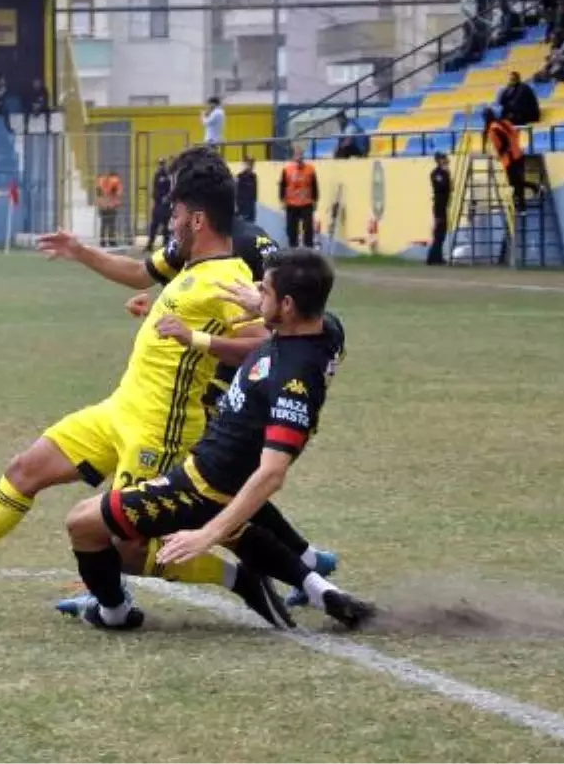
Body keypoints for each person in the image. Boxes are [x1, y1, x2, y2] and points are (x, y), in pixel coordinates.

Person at [0, 146, 277, 608]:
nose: (170, 219)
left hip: (158, 431)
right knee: (26, 469)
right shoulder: (189, 263)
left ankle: (242, 580)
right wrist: (90, 259)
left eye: (176, 211)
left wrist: (198, 341)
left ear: (198, 220)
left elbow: (265, 347)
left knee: (128, 548)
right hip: (121, 409)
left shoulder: (229, 279)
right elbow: (143, 276)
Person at [61, 249, 375, 631]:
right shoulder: (325, 330)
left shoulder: (294, 380)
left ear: (289, 306)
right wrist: (260, 308)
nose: (257, 293)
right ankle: (320, 590)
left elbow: (273, 473)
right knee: (239, 528)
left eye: (266, 290)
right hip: (210, 470)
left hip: (201, 488)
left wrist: (208, 534)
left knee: (84, 525)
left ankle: (113, 614)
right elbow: (306, 323)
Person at [280, 147, 318, 249]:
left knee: (308, 229)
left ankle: (309, 250)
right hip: (291, 203)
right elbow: (282, 185)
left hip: (306, 203)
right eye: (297, 154)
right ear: (293, 156)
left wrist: (315, 200)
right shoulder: (287, 169)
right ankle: (293, 249)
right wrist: (282, 200)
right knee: (292, 229)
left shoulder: (310, 169)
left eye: (301, 154)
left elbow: (314, 186)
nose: (299, 157)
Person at [428, 152, 451, 266]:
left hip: (443, 205)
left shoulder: (444, 173)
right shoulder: (436, 173)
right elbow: (442, 185)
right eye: (443, 159)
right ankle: (433, 258)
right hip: (439, 206)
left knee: (442, 232)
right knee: (439, 232)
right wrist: (446, 172)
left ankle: (437, 257)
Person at [146, 158, 171, 253]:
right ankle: (150, 244)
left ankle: (166, 244)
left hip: (165, 205)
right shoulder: (157, 175)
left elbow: (170, 189)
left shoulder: (169, 175)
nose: (161, 166)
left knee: (166, 225)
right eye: (160, 164)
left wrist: (167, 198)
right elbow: (155, 189)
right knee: (154, 225)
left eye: (163, 164)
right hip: (158, 203)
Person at [97, 170, 122, 248]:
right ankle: (112, 241)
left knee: (104, 224)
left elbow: (99, 195)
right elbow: (117, 194)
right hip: (111, 206)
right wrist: (114, 204)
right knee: (111, 224)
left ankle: (103, 241)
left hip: (103, 206)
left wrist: (102, 204)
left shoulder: (100, 182)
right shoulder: (115, 181)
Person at [236, 157, 258, 224]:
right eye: (249, 164)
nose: (251, 166)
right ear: (245, 164)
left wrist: (253, 209)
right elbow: (237, 193)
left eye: (252, 164)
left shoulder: (254, 177)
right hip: (242, 208)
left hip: (251, 208)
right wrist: (239, 209)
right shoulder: (240, 177)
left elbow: (254, 194)